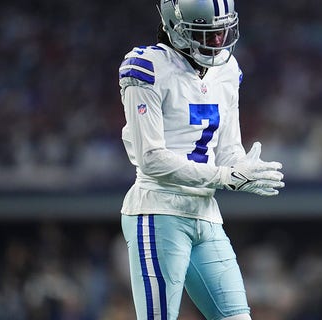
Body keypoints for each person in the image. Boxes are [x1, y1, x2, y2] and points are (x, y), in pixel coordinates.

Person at [117, 0, 285, 319]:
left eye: (222, 31)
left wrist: (244, 170)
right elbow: (151, 159)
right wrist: (224, 177)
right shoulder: (147, 65)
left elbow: (227, 151)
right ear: (176, 29)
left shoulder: (228, 70)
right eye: (207, 33)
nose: (219, 41)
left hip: (205, 213)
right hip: (159, 209)